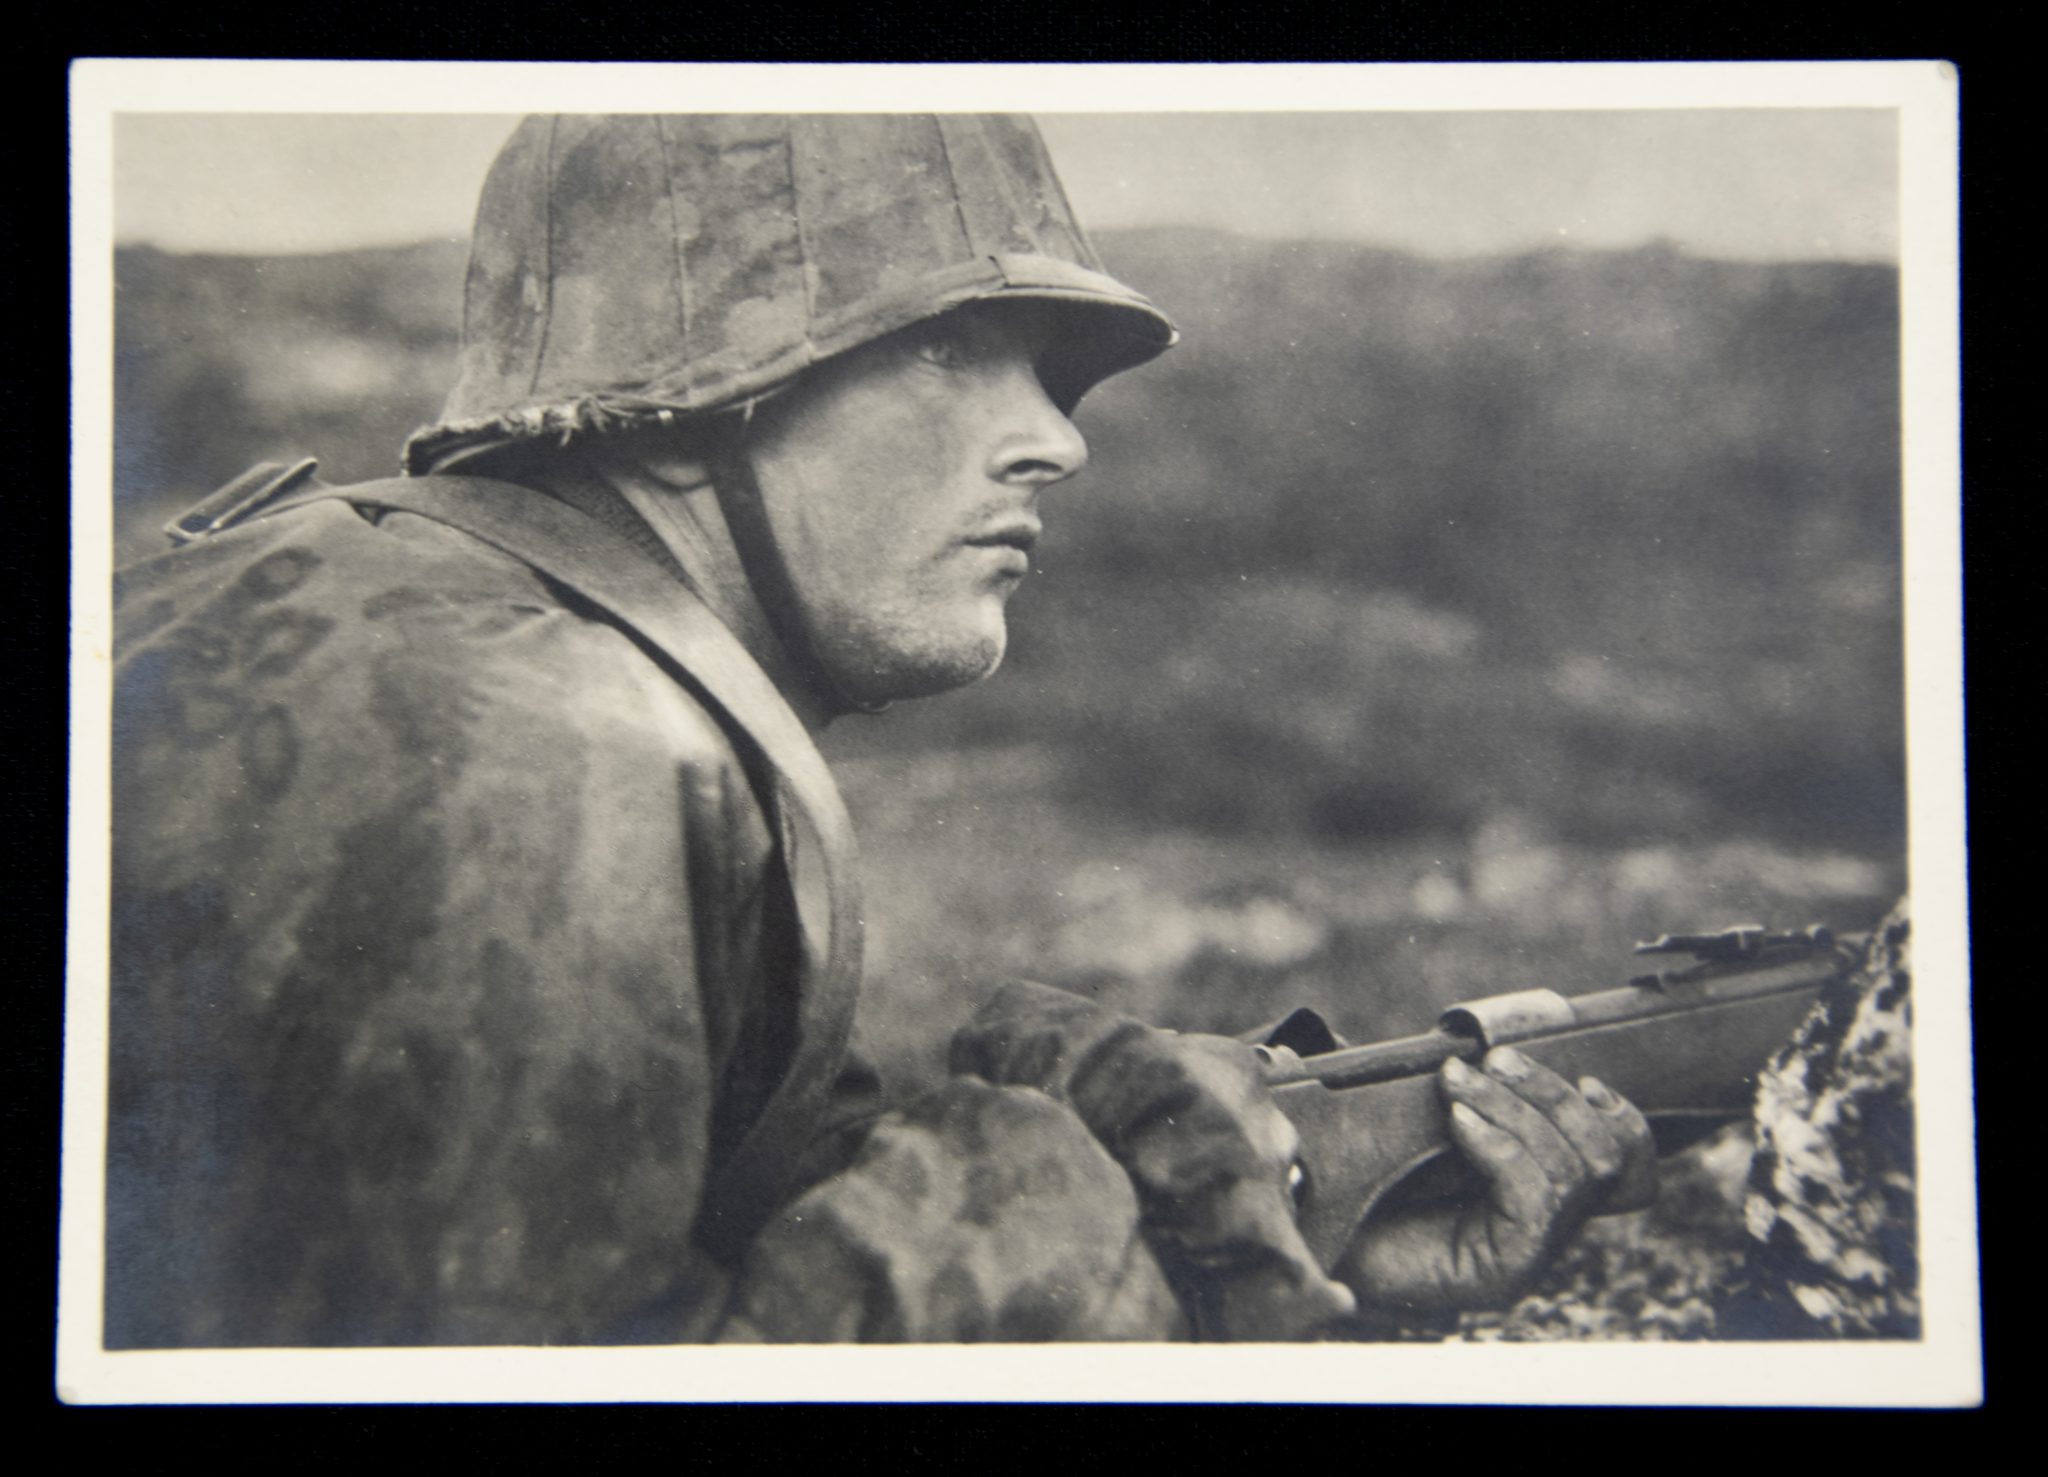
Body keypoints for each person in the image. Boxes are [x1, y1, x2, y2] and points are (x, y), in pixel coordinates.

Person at [106, 113, 1654, 1347]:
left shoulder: (428, 627)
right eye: (949, 346)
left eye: (1050, 375)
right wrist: (1069, 1191)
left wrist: (1284, 1219)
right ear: (689, 401)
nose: (1056, 439)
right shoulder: (544, 745)